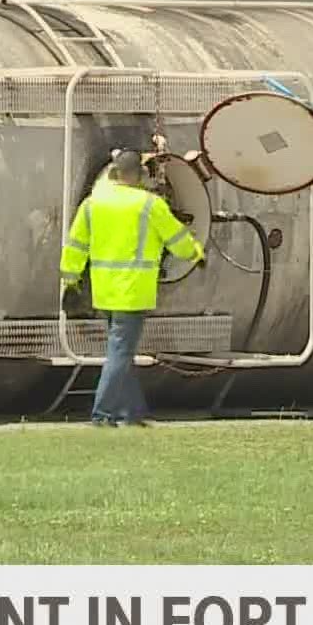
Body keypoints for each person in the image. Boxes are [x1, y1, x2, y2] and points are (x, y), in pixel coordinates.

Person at [60, 151, 206, 426]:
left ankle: (133, 413)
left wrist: (70, 281)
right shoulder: (149, 205)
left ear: (113, 174)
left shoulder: (92, 205)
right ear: (139, 176)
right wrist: (196, 253)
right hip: (134, 292)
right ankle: (102, 414)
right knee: (120, 353)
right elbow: (176, 238)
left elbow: (75, 245)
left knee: (120, 351)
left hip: (104, 292)